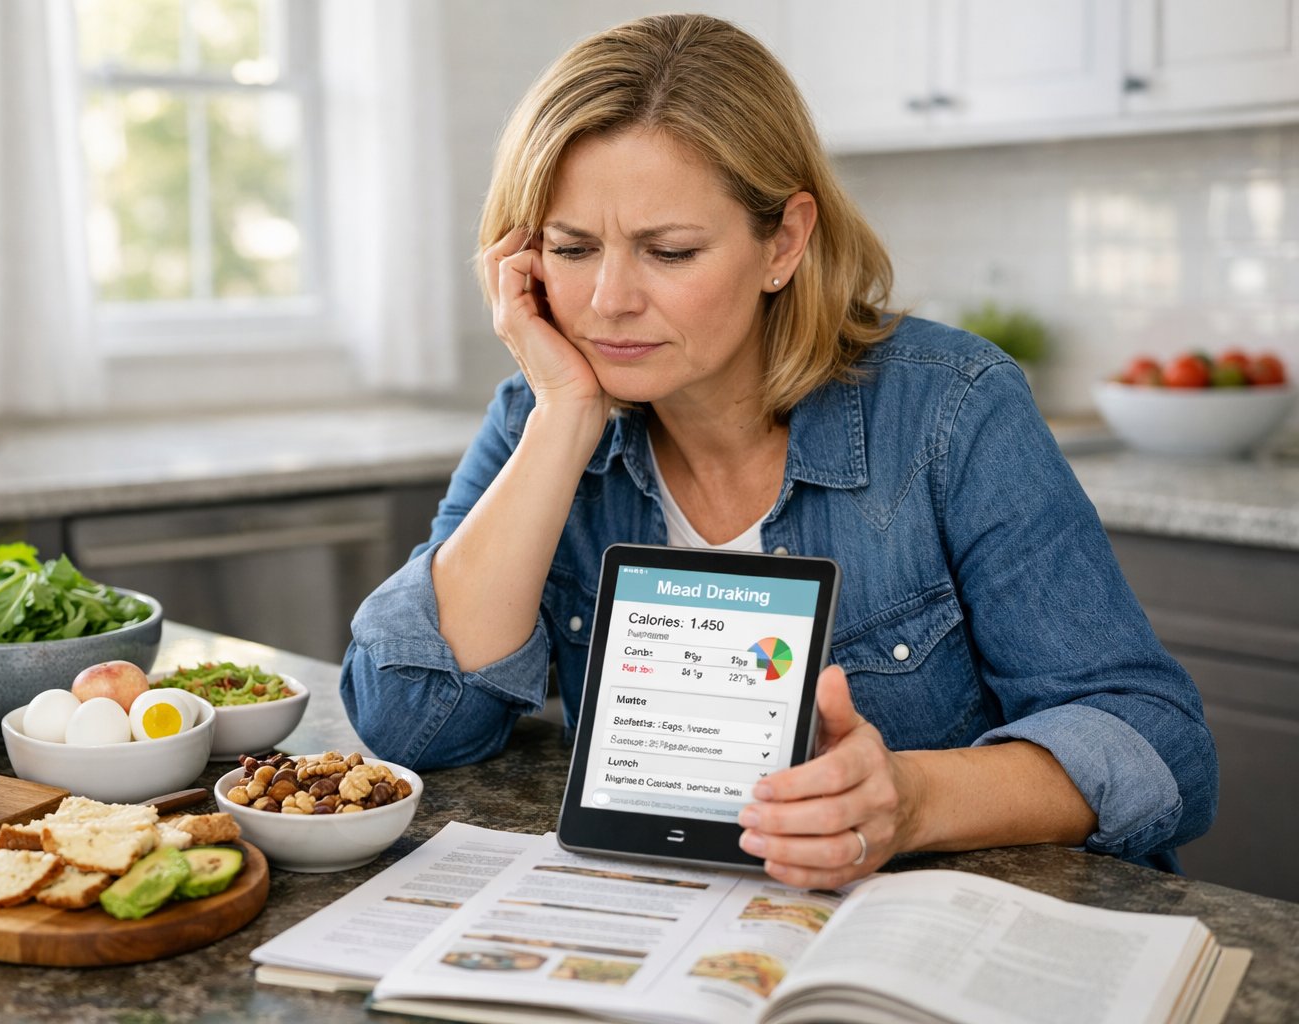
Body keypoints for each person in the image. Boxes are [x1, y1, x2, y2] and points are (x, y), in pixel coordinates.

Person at [340, 13, 1216, 887]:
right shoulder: (539, 417)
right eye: (571, 249)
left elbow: (1157, 740)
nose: (608, 300)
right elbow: (412, 724)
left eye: (669, 251)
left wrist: (911, 798)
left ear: (783, 243)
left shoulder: (952, 408)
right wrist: (566, 416)